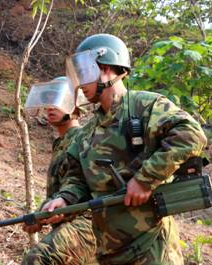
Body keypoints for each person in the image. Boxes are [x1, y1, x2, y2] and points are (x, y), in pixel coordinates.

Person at [41, 34, 207, 265]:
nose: (79, 83)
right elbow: (77, 178)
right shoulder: (88, 131)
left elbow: (191, 134)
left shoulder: (144, 106)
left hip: (152, 249)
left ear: (108, 69)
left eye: (85, 73)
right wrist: (65, 200)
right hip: (110, 252)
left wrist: (145, 179)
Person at [22, 77, 97, 265]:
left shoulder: (83, 137)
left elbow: (86, 188)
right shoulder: (61, 142)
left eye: (57, 99)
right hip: (69, 223)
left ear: (75, 105)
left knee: (38, 259)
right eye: (47, 99)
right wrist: (40, 214)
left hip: (89, 222)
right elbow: (61, 191)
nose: (50, 106)